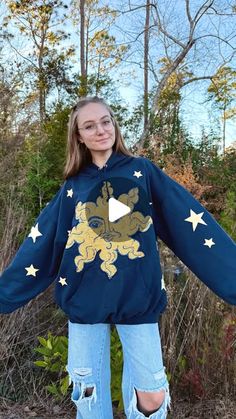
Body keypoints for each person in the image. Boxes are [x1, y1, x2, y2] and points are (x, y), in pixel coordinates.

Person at [0, 96, 235, 419]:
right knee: (89, 398)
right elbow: (42, 245)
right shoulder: (74, 186)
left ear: (115, 124)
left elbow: (190, 225)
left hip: (138, 299)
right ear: (79, 136)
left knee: (151, 398)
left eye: (106, 121)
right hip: (85, 302)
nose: (101, 130)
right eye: (89, 125)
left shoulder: (143, 172)